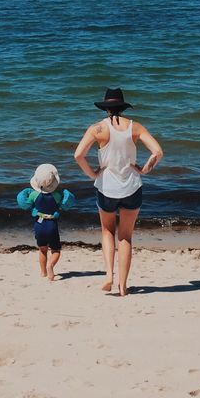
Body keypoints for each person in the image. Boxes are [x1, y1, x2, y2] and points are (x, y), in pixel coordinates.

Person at [74, 88, 163, 296]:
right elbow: (158, 152)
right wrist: (144, 169)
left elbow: (78, 155)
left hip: (106, 189)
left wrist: (93, 174)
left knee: (107, 231)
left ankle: (109, 276)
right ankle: (123, 286)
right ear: (122, 108)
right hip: (132, 188)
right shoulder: (135, 127)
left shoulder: (97, 129)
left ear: (105, 108)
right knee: (125, 237)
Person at [16, 163, 76, 281]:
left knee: (42, 250)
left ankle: (43, 272)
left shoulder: (33, 195)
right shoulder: (57, 195)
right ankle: (50, 265)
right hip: (52, 225)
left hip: (39, 224)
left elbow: (27, 204)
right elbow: (64, 205)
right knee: (56, 250)